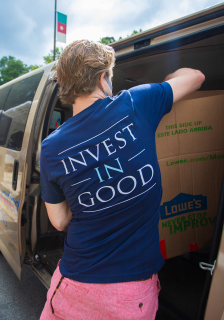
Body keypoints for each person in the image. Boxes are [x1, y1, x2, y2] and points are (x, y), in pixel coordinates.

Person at [38, 40, 205, 319]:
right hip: (131, 295)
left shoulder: (51, 147)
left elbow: (59, 221)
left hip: (75, 283)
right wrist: (163, 87)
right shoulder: (137, 102)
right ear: (104, 78)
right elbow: (195, 76)